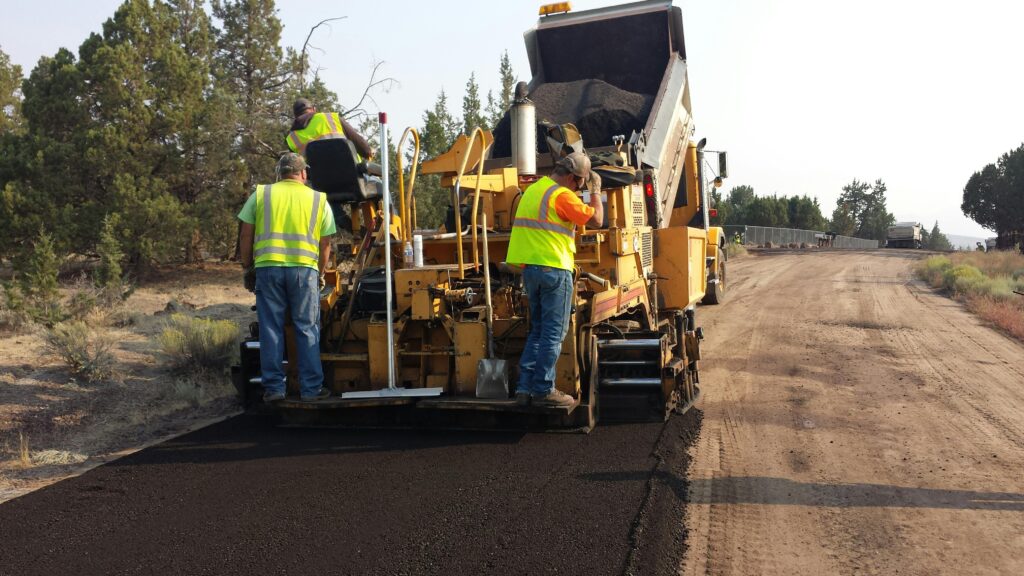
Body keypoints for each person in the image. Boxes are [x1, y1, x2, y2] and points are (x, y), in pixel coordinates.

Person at [505, 152, 603, 407]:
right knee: (552, 334)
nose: (577, 188)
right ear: (572, 177)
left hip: (532, 271)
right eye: (579, 184)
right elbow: (597, 220)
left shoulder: (535, 190)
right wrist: (595, 191)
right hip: (554, 270)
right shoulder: (561, 195)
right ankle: (544, 390)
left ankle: (525, 389)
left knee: (537, 332)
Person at [238, 153, 336, 403]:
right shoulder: (318, 199)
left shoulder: (261, 194)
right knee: (307, 328)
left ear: (279, 173)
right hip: (304, 271)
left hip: (268, 269)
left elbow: (246, 234)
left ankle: (274, 389)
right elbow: (326, 244)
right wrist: (320, 272)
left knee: (271, 329)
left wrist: (248, 266)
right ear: (303, 173)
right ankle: (311, 390)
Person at [286, 97, 373, 160]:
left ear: (295, 115)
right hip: (353, 176)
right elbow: (362, 146)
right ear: (314, 109)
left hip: (320, 182)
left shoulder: (292, 138)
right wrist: (368, 153)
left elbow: (295, 166)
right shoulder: (331, 118)